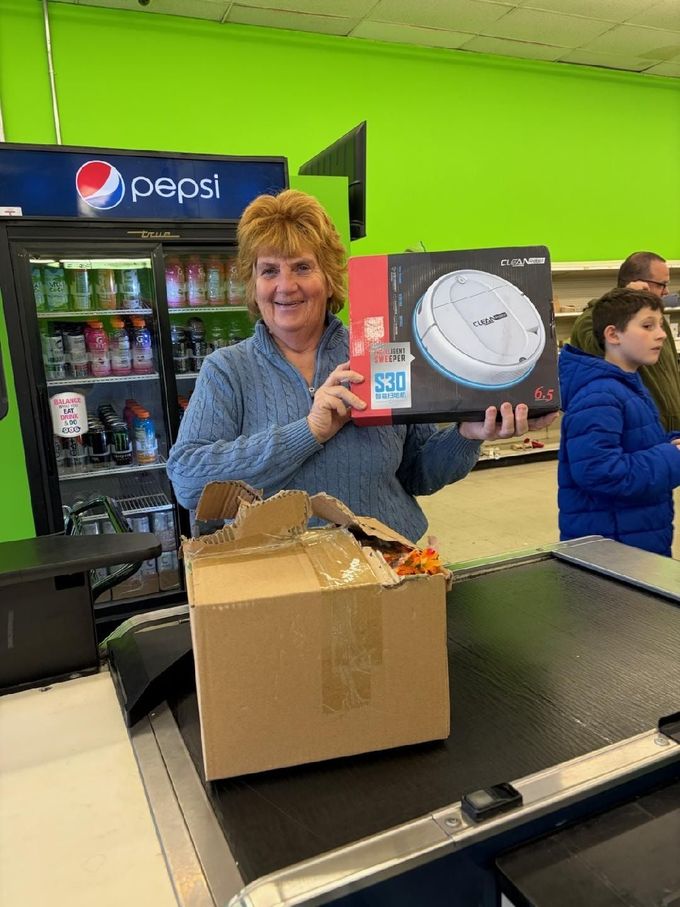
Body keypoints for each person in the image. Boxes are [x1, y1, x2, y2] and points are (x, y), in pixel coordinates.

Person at [167, 189, 556, 542]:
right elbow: (188, 481)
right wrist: (308, 432)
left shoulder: (381, 351)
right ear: (253, 283)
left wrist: (467, 435)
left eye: (302, 267)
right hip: (280, 587)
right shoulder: (227, 371)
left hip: (389, 570)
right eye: (269, 270)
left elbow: (418, 473)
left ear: (329, 278)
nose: (285, 286)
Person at [558, 287, 680, 556]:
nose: (661, 334)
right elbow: (600, 472)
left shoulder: (627, 386)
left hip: (634, 536)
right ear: (613, 334)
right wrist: (673, 456)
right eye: (648, 325)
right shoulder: (600, 396)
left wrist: (670, 442)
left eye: (660, 325)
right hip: (613, 550)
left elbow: (634, 445)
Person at [569, 251, 680, 431]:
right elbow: (597, 350)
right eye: (662, 285)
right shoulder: (589, 320)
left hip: (666, 435)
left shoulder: (656, 320)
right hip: (633, 432)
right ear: (638, 282)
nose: (667, 292)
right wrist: (622, 298)